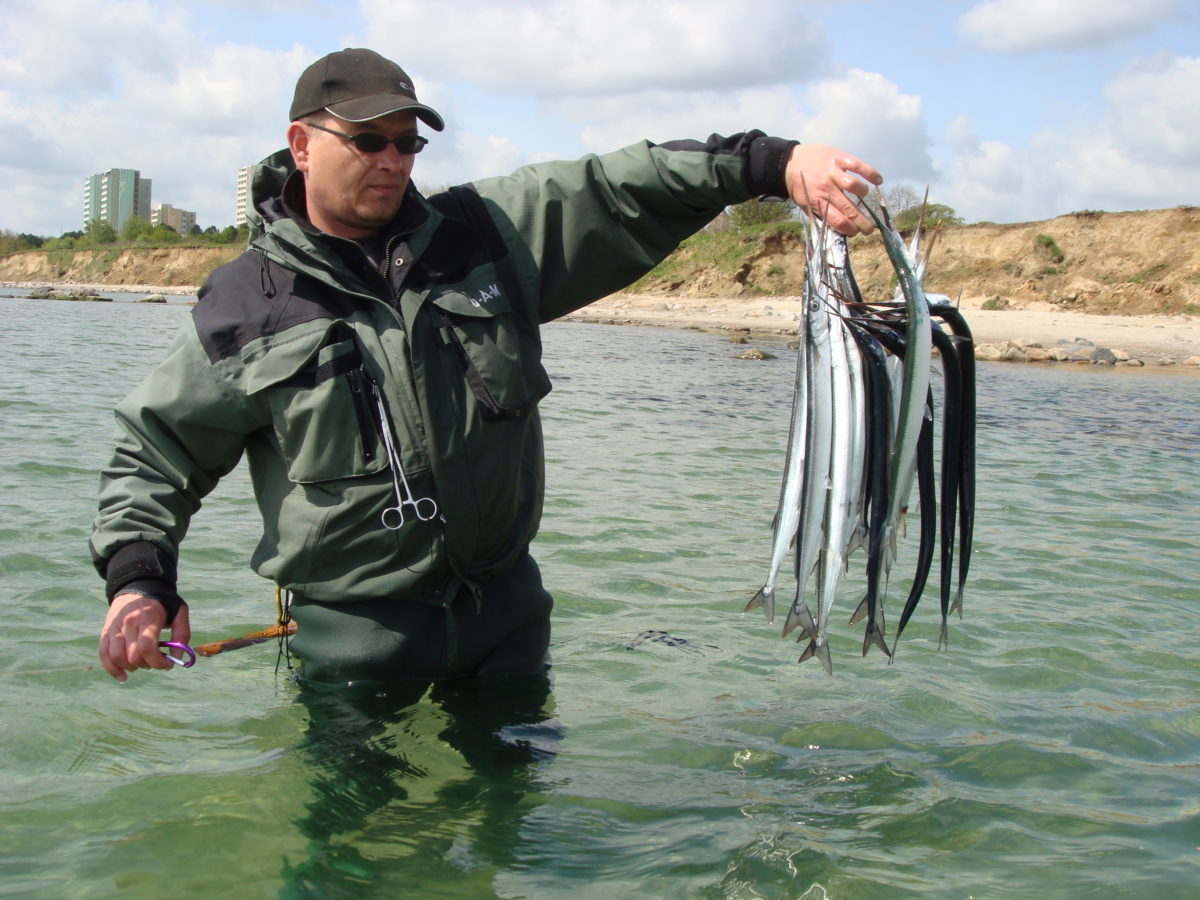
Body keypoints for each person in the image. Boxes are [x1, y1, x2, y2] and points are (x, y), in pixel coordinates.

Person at [93, 47, 882, 686]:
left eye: (408, 142)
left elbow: (617, 188)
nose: (392, 159)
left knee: (510, 845)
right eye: (368, 140)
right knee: (348, 871)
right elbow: (153, 450)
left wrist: (771, 163)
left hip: (505, 621)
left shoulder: (485, 234)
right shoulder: (245, 304)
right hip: (353, 644)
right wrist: (139, 580)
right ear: (301, 145)